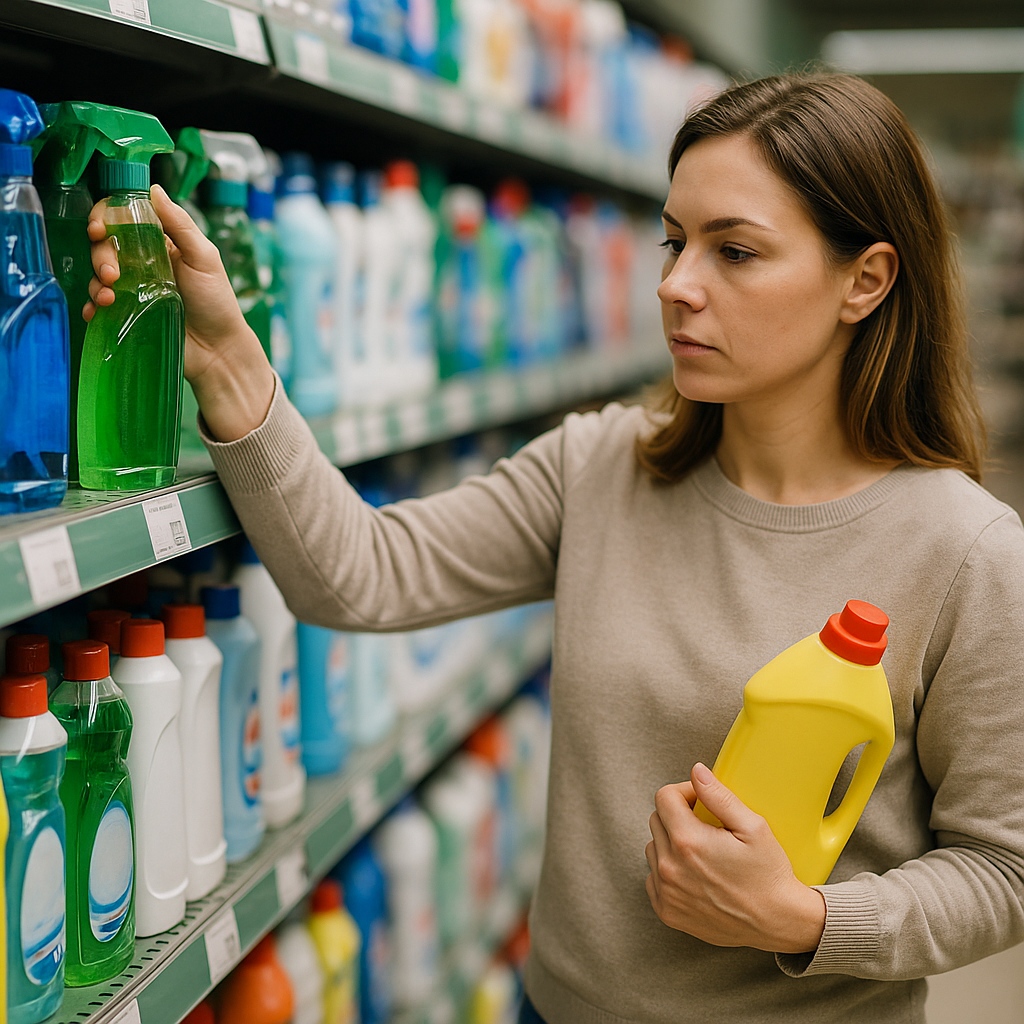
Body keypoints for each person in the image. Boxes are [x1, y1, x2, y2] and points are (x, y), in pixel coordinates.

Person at [85, 72, 1024, 1024]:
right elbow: (358, 575)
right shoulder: (603, 466)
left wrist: (806, 920)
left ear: (865, 280)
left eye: (734, 251)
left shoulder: (967, 551)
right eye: (674, 240)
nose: (675, 285)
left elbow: (1006, 866)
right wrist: (226, 355)